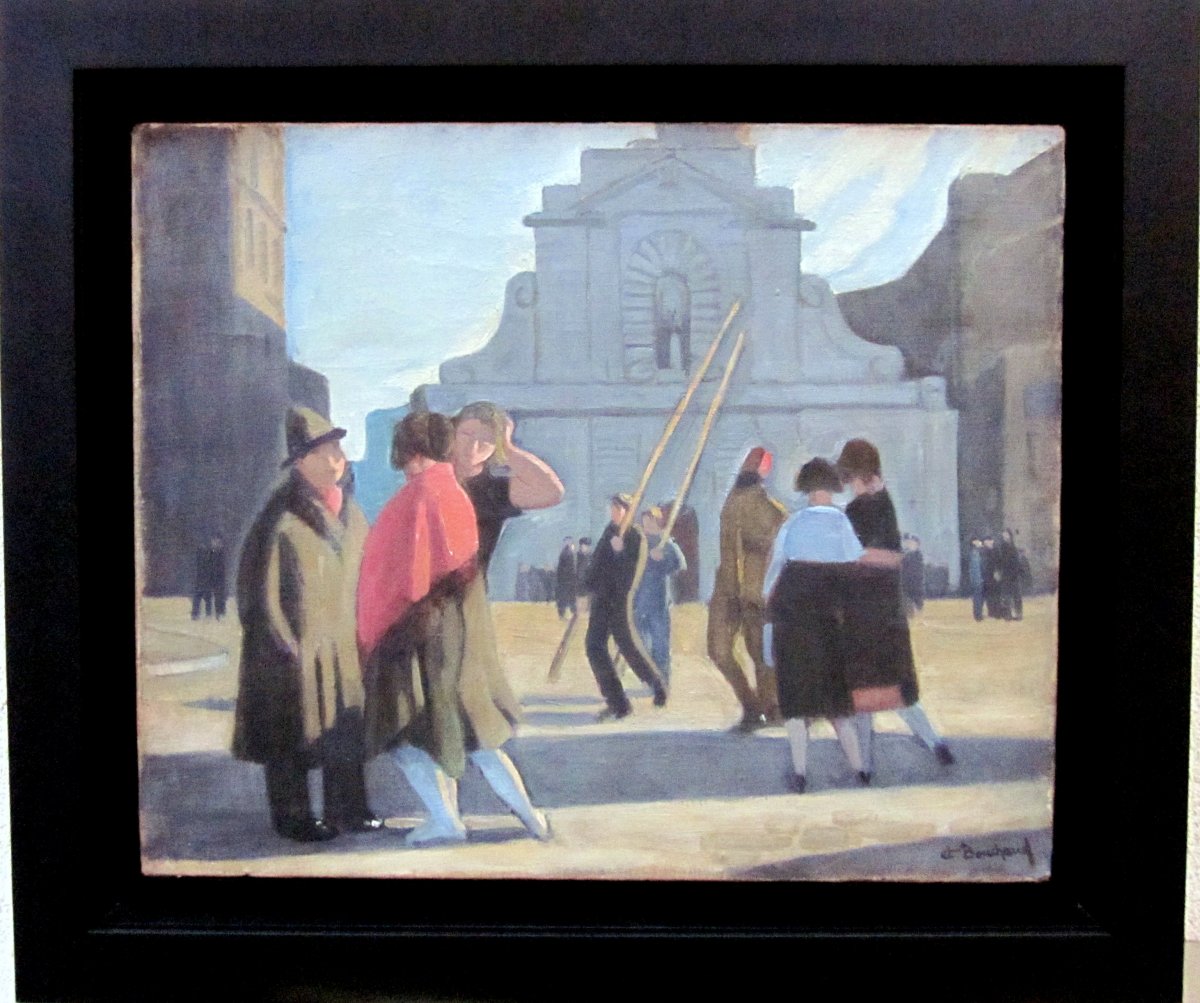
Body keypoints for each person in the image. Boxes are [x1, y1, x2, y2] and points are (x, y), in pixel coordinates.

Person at [358, 411, 549, 847]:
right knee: (476, 732)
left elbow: (405, 579)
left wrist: (372, 636)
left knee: (407, 732)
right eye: (469, 438)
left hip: (417, 631)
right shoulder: (454, 491)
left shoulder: (421, 494)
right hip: (459, 626)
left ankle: (447, 820)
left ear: (407, 451)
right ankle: (529, 816)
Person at [231, 406, 381, 843]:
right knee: (289, 738)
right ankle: (293, 817)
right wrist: (284, 644)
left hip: (344, 646)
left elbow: (370, 577)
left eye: (339, 449)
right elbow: (257, 595)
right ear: (302, 461)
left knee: (345, 730)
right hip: (292, 653)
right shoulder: (279, 518)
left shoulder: (354, 515)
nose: (340, 458)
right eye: (328, 450)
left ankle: (348, 809)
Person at [835, 438, 955, 772]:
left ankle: (866, 767)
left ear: (855, 474)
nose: (849, 484)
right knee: (899, 692)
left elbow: (861, 556)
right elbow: (892, 556)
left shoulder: (858, 510)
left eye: (850, 477)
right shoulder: (886, 502)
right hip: (887, 612)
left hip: (861, 612)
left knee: (862, 697)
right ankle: (936, 743)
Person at [763, 458, 869, 793]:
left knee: (796, 701)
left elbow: (775, 570)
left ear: (806, 490)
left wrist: (769, 601)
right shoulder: (842, 523)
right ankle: (859, 768)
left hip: (793, 611)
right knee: (836, 701)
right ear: (833, 489)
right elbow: (855, 566)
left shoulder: (793, 524)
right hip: (828, 615)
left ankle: (800, 772)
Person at [707, 447, 788, 731]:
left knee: (761, 654)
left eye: (752, 471)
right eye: (746, 470)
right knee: (718, 650)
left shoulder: (774, 512)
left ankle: (771, 707)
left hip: (757, 591)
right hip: (727, 589)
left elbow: (779, 548)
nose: (747, 474)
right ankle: (753, 706)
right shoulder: (730, 503)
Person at [448, 401, 564, 577]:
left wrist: (507, 448)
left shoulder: (493, 489)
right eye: (466, 434)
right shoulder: (432, 480)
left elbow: (552, 492)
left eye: (486, 440)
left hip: (469, 591)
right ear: (452, 433)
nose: (473, 447)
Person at [585, 493, 669, 721]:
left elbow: (630, 577)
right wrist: (585, 590)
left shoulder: (635, 538)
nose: (613, 512)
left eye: (617, 508)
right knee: (594, 647)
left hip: (618, 601)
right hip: (601, 600)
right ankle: (618, 703)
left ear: (627, 511)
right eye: (612, 507)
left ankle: (657, 684)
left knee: (629, 647)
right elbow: (596, 564)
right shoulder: (609, 532)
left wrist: (620, 552)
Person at [633, 506, 687, 686]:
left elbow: (680, 563)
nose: (646, 524)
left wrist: (662, 558)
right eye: (644, 521)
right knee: (640, 641)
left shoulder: (665, 542)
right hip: (639, 600)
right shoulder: (640, 541)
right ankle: (649, 675)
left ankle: (662, 678)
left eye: (649, 521)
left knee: (660, 642)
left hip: (658, 600)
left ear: (657, 522)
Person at [191, 535, 226, 620]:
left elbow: (220, 567)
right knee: (206, 596)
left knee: (210, 596)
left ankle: (216, 613)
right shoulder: (210, 553)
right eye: (215, 542)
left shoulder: (217, 553)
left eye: (218, 542)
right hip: (208, 578)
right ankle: (208, 613)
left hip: (212, 578)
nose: (216, 543)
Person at [998, 528, 1024, 621]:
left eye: (1006, 534)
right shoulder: (1002, 547)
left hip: (1014, 574)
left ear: (1010, 535)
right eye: (1003, 535)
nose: (1005, 536)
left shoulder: (1013, 546)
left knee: (1017, 595)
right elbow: (1001, 561)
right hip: (1006, 575)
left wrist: (1018, 571)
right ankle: (1007, 615)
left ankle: (1018, 614)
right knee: (1006, 596)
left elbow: (1016, 561)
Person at [900, 533, 925, 617]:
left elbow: (916, 571)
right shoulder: (903, 554)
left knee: (917, 601)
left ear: (917, 544)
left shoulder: (917, 555)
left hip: (915, 583)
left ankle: (916, 610)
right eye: (907, 542)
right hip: (905, 584)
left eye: (911, 543)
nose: (908, 544)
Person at [555, 537, 578, 619]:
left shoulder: (567, 552)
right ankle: (570, 613)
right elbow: (568, 568)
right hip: (567, 579)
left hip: (566, 579)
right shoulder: (567, 553)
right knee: (566, 597)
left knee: (567, 597)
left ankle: (569, 613)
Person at [967, 537, 986, 621]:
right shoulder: (975, 554)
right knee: (978, 598)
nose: (980, 542)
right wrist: (979, 579)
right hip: (977, 580)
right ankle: (978, 615)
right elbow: (976, 568)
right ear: (974, 542)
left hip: (977, 579)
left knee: (978, 597)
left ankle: (978, 614)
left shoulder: (975, 553)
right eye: (978, 541)